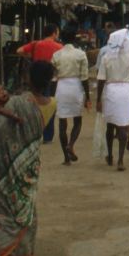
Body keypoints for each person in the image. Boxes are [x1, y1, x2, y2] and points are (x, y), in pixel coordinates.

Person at [0, 60, 57, 256]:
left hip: (5, 167)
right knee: (26, 211)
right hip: (29, 167)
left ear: (28, 78)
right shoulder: (53, 103)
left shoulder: (16, 103)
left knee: (2, 212)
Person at [96, 28, 129, 172]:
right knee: (123, 125)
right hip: (126, 91)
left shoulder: (106, 57)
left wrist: (98, 99)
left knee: (110, 125)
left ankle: (110, 154)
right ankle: (121, 159)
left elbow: (101, 79)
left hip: (111, 91)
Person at [17, 23, 62, 144]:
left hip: (35, 78)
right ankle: (47, 136)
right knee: (49, 105)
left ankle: (33, 133)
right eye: (57, 32)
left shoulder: (36, 44)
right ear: (54, 33)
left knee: (34, 105)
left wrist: (32, 56)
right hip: (51, 79)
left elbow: (19, 50)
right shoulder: (59, 47)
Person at [51, 24, 90, 165]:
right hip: (76, 87)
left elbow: (53, 78)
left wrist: (52, 96)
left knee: (62, 122)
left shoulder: (56, 55)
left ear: (61, 38)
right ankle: (71, 144)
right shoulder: (80, 54)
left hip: (61, 87)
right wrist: (88, 98)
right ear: (75, 38)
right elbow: (84, 77)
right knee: (77, 120)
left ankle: (66, 158)